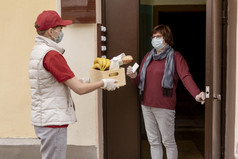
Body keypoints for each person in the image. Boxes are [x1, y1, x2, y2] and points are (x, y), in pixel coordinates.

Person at [28, 10, 118, 159]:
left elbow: (60, 82)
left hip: (45, 118)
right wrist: (104, 82)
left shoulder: (38, 51)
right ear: (51, 31)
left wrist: (90, 79)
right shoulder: (52, 55)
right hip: (53, 121)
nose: (62, 32)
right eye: (60, 29)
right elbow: (79, 89)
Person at [126, 24, 205, 159]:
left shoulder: (175, 57)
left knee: (168, 142)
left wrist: (196, 93)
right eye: (153, 37)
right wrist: (133, 76)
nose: (154, 39)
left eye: (158, 37)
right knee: (154, 142)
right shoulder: (148, 57)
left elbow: (185, 76)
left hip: (164, 106)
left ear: (167, 38)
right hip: (146, 105)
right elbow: (140, 81)